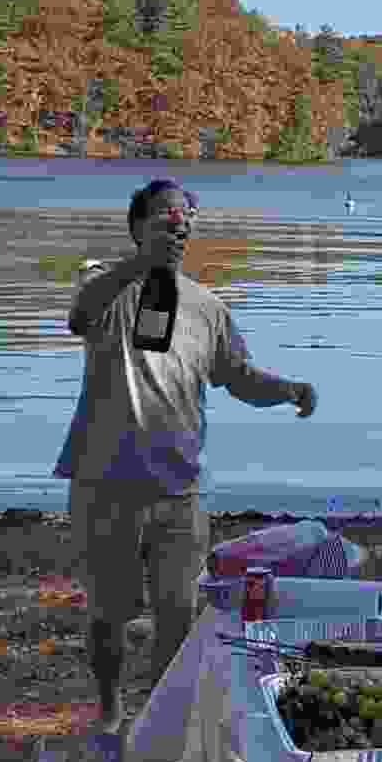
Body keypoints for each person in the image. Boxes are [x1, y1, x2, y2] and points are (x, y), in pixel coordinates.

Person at [58, 179, 318, 733]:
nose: (180, 227)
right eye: (165, 219)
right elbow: (78, 316)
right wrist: (140, 265)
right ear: (137, 228)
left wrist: (290, 389)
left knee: (178, 616)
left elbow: (239, 377)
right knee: (110, 615)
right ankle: (108, 710)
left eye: (185, 221)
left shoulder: (208, 308)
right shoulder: (105, 286)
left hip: (180, 491)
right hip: (106, 485)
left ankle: (156, 722)